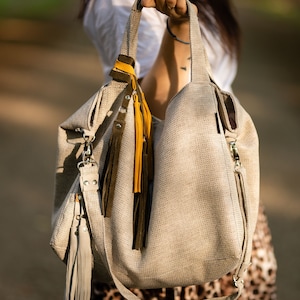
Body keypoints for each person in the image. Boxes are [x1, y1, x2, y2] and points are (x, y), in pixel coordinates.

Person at [78, 0, 277, 299]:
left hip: (221, 188)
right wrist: (180, 27)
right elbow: (153, 112)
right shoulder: (118, 3)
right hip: (163, 209)